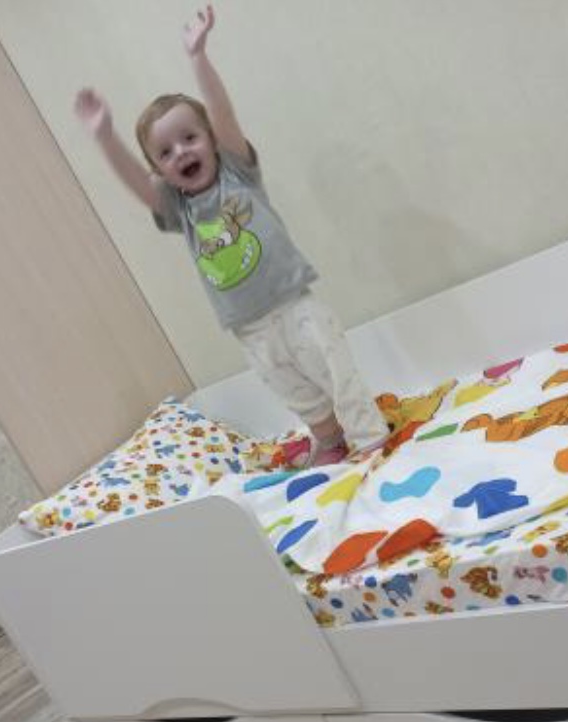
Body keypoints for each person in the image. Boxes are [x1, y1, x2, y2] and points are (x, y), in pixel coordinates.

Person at [74, 5, 389, 467]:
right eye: (165, 152)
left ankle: (367, 435)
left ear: (212, 139)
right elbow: (138, 185)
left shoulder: (235, 171)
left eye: (190, 138)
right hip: (248, 325)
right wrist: (106, 137)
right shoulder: (179, 209)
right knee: (292, 388)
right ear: (158, 169)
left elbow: (222, 113)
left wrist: (198, 58)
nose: (181, 151)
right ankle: (329, 439)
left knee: (333, 370)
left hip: (294, 305)